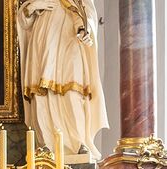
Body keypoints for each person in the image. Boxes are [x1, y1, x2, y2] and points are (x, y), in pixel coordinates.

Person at [16, 0, 108, 160]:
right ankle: (46, 145)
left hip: (69, 37)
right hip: (42, 38)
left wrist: (85, 29)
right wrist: (33, 7)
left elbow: (86, 11)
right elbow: (24, 23)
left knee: (73, 90)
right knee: (41, 92)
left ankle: (77, 143)